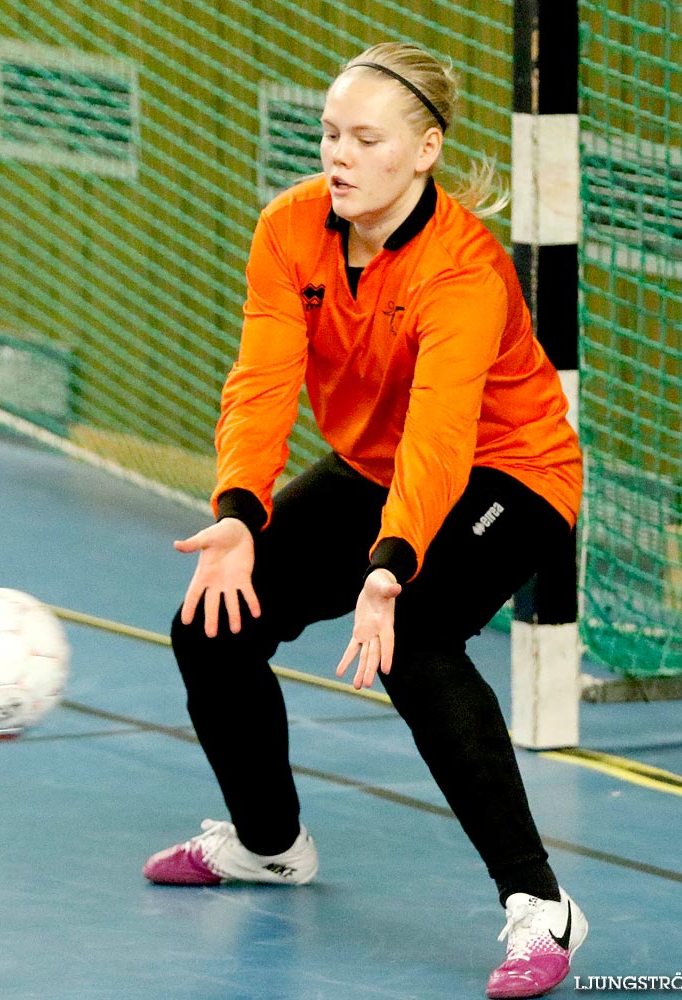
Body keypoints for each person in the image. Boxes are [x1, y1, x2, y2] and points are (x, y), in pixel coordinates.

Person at [142, 42, 587, 999]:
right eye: (329, 133)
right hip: (372, 467)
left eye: (365, 139)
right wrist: (237, 511)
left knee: (417, 640)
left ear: (423, 150)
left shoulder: (462, 270)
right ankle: (267, 846)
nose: (337, 156)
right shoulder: (291, 229)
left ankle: (538, 905)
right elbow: (261, 379)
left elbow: (440, 432)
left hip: (508, 473)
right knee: (211, 625)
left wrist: (387, 569)